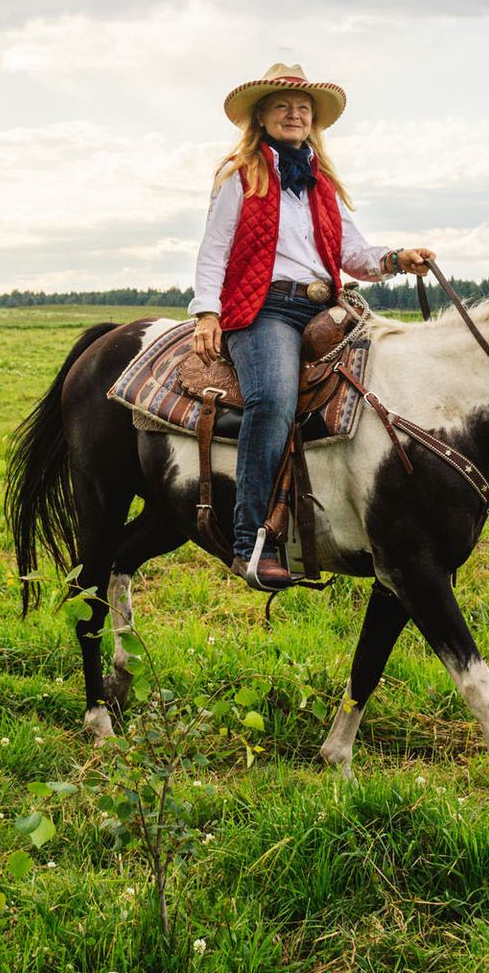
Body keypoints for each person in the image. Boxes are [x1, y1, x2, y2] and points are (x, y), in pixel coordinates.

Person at [189, 63, 435, 590]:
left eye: (303, 108)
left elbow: (353, 253)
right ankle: (251, 541)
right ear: (261, 117)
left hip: (327, 308)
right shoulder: (241, 175)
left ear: (313, 121)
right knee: (273, 400)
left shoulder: (323, 184)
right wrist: (207, 311)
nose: (294, 114)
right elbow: (214, 248)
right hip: (264, 310)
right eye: (282, 106)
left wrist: (396, 259)